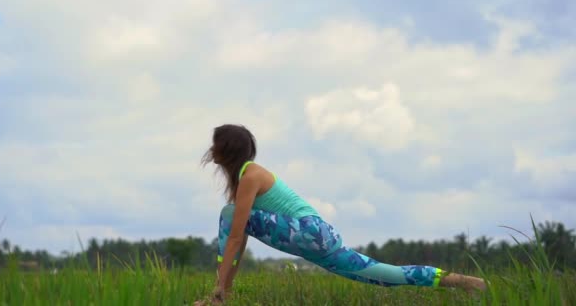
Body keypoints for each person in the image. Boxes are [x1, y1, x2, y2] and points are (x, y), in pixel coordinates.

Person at [195, 124, 487, 305]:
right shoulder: (246, 178)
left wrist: (220, 291)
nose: (210, 149)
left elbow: (235, 235)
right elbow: (239, 235)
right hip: (319, 236)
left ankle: (221, 297)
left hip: (309, 232)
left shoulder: (250, 175)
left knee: (230, 214)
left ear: (225, 149)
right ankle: (464, 282)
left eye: (215, 143)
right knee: (383, 276)